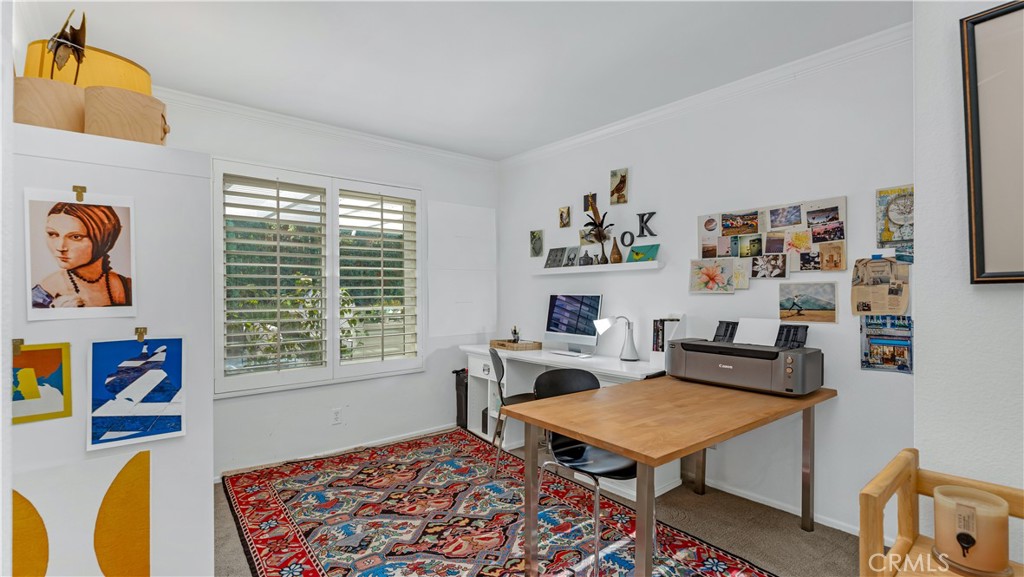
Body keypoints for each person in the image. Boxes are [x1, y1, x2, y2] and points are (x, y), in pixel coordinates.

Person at [32, 202, 132, 308]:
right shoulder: (45, 292)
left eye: (75, 237)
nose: (60, 247)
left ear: (105, 238)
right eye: (53, 234)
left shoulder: (127, 286)